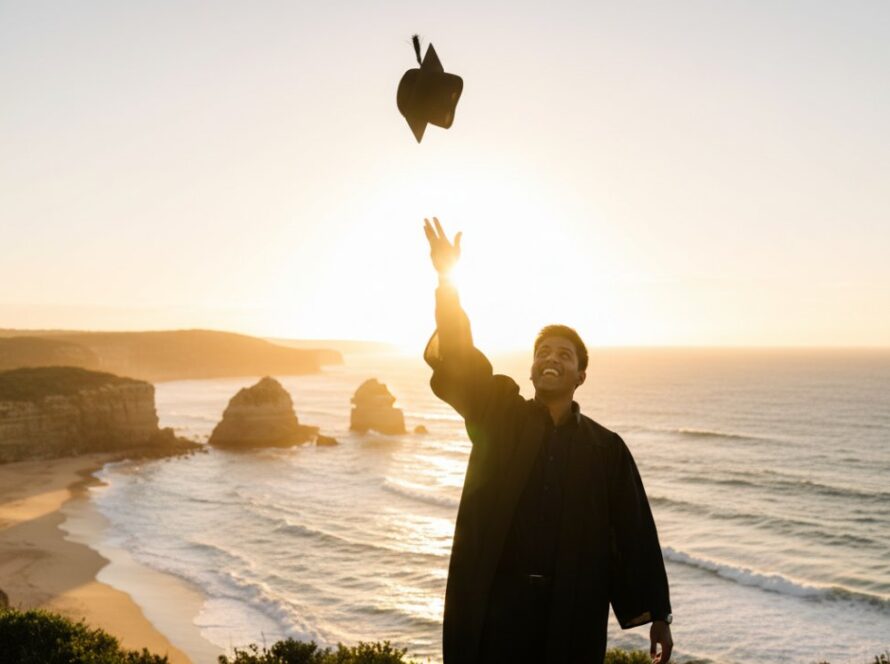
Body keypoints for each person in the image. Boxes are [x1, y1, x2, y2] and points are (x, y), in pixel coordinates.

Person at [422, 218, 673, 664]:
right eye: (543, 354)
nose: (551, 359)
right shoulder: (498, 413)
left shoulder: (606, 449)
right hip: (495, 609)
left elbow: (634, 532)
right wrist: (447, 279)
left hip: (570, 613)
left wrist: (658, 615)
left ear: (581, 376)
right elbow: (460, 358)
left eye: (564, 355)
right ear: (533, 371)